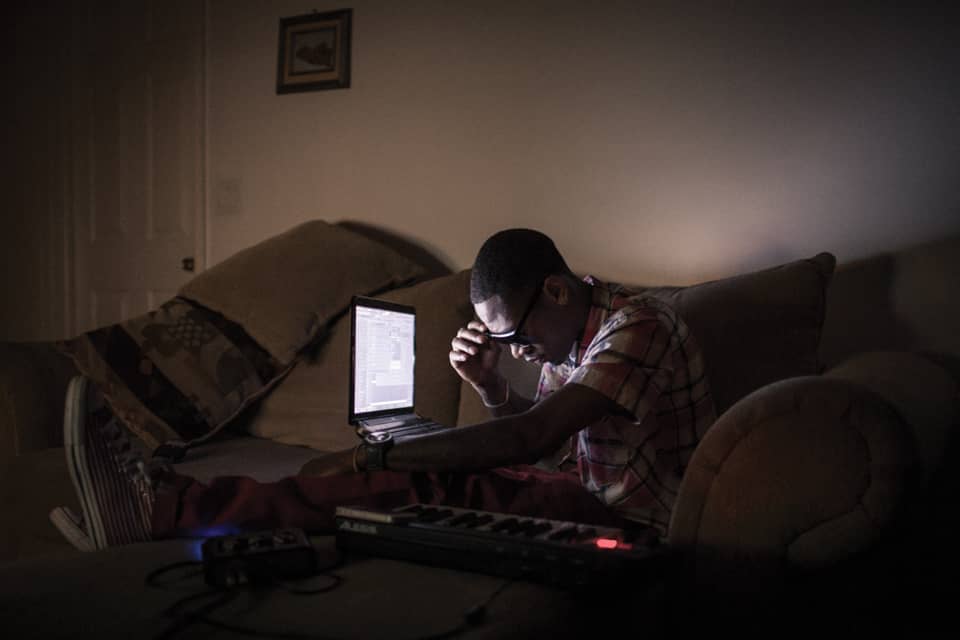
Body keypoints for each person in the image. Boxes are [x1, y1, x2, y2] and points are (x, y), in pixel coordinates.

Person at [51, 229, 716, 551]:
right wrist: (490, 385)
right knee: (415, 479)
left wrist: (372, 455)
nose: (517, 351)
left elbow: (530, 436)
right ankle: (167, 497)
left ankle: (167, 509)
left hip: (629, 525)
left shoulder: (639, 327)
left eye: (515, 336)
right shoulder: (571, 334)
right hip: (576, 490)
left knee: (416, 483)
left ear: (557, 291)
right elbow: (543, 441)